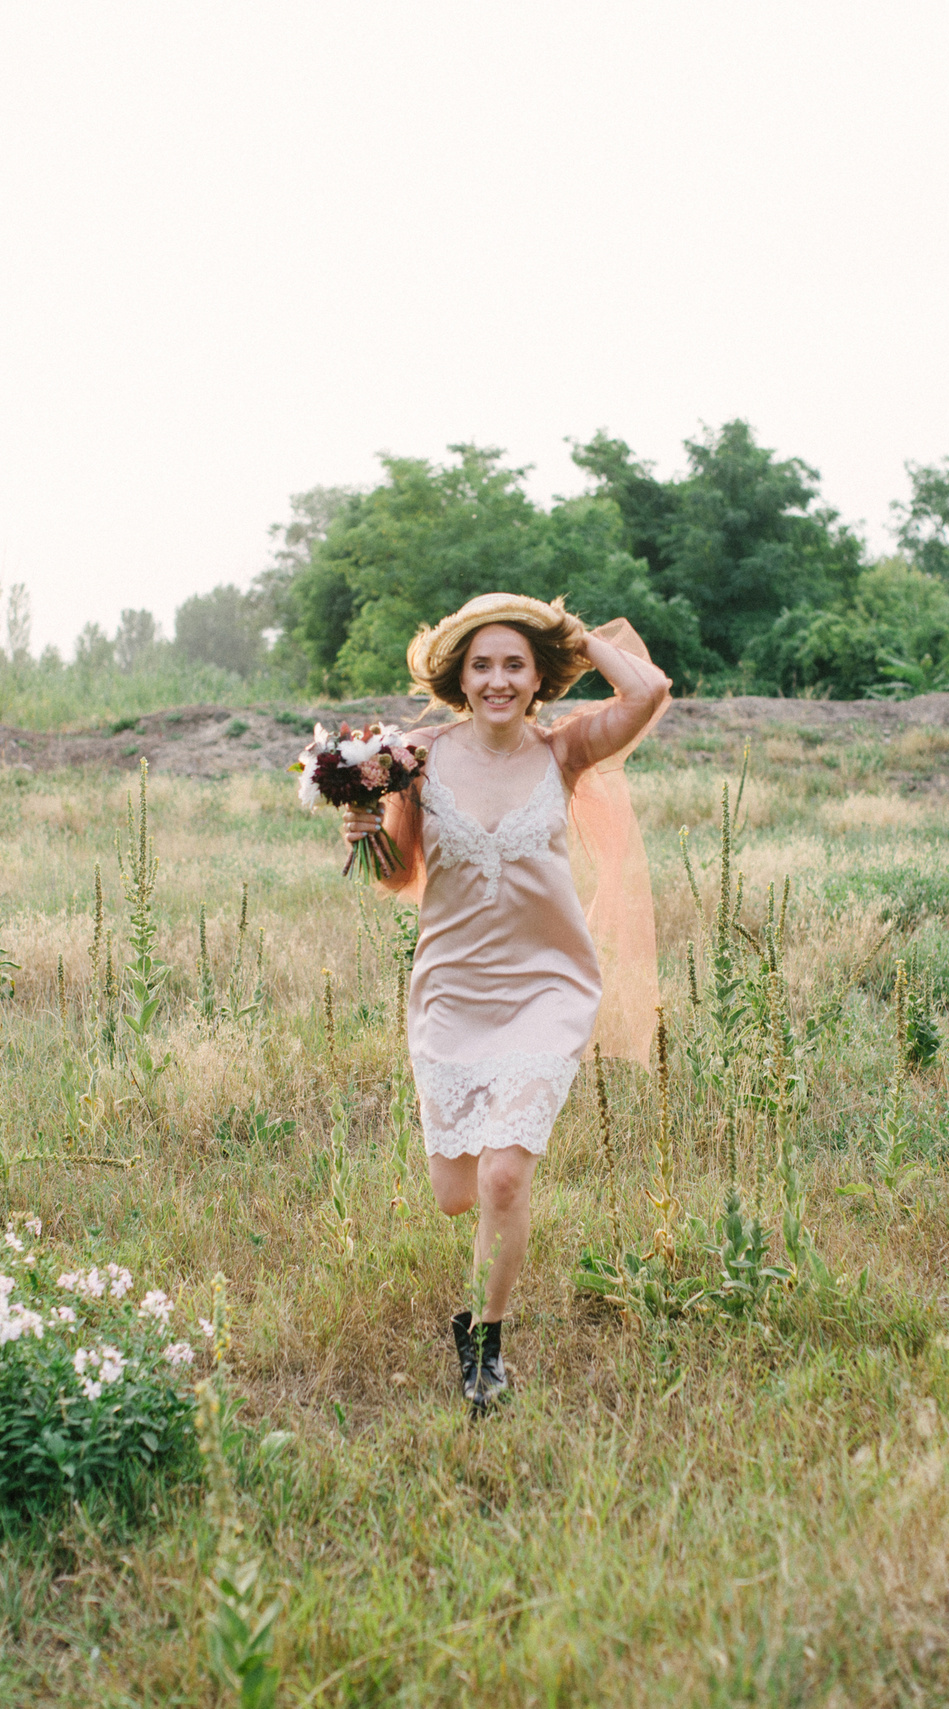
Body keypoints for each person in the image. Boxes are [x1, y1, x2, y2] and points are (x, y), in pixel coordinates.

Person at [342, 593, 670, 1414]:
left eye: (514, 665)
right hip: (451, 989)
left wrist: (575, 635)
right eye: (482, 664)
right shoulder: (415, 757)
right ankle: (477, 1318)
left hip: (547, 987)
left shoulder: (563, 753)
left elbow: (648, 693)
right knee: (455, 1192)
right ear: (459, 675)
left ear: (536, 679)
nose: (497, 679)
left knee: (502, 1178)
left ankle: (486, 1344)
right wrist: (369, 836)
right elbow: (397, 873)